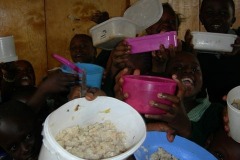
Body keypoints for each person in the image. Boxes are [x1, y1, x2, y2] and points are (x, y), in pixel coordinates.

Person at [114, 51, 224, 147]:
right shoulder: (150, 106)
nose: (188, 71)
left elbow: (211, 149)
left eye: (195, 69)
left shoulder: (216, 112)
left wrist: (184, 126)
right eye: (178, 68)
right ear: (164, 78)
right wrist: (121, 106)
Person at [189, 0, 240, 104]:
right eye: (210, 13)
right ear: (201, 19)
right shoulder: (199, 51)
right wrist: (190, 55)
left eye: (223, 13)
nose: (216, 17)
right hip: (216, 111)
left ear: (232, 20)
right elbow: (199, 92)